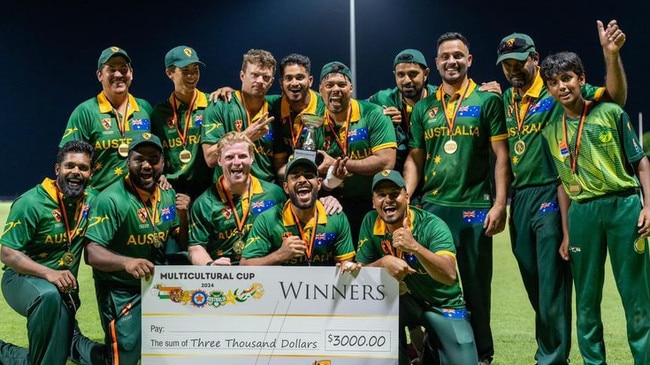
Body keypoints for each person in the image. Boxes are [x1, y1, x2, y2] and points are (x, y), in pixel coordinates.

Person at [494, 20, 627, 365]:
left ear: (534, 58)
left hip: (553, 192)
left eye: (519, 62)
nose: (512, 69)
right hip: (520, 197)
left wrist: (611, 57)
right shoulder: (506, 98)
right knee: (532, 278)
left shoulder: (555, 89)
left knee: (552, 280)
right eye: (506, 64)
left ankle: (551, 357)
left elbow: (613, 97)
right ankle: (550, 347)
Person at [403, 32, 510, 365]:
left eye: (457, 55)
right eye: (445, 56)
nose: (451, 61)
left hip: (474, 208)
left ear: (469, 60)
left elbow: (501, 156)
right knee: (434, 285)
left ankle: (482, 353)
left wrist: (500, 203)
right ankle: (436, 351)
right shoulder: (424, 107)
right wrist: (406, 197)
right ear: (436, 63)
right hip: (432, 209)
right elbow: (415, 160)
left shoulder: (487, 100)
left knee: (476, 288)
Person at [540, 51, 650, 365]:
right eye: (553, 82)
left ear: (581, 80)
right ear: (549, 89)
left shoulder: (611, 112)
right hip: (582, 214)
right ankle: (593, 362)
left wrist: (648, 207)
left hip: (624, 208)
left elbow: (641, 162)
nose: (561, 86)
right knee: (586, 300)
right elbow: (562, 185)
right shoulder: (551, 132)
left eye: (567, 78)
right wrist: (565, 231)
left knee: (636, 296)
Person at [84, 133, 189, 365]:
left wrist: (183, 216)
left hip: (154, 285)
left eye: (153, 159)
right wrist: (127, 262)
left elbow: (181, 242)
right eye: (139, 159)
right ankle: (77, 346)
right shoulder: (111, 199)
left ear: (163, 163)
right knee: (126, 352)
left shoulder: (168, 194)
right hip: (120, 286)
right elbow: (91, 252)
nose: (146, 166)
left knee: (164, 348)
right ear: (127, 162)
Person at [0, 141, 105, 365]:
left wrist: (161, 183)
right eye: (70, 166)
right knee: (49, 296)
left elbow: (123, 195)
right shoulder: (32, 202)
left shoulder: (93, 201)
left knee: (90, 354)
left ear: (91, 172)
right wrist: (49, 273)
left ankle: (69, 342)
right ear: (58, 169)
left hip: (62, 290)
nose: (76, 172)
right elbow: (7, 252)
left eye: (83, 168)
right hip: (21, 280)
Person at [356, 170, 477, 365]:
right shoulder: (370, 222)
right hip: (402, 302)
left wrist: (415, 247)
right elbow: (360, 274)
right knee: (370, 316)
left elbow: (449, 274)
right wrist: (383, 262)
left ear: (407, 197)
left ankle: (431, 347)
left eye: (394, 194)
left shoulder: (431, 225)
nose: (388, 200)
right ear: (373, 201)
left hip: (441, 303)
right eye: (381, 195)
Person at [317, 61, 397, 242]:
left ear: (351, 88)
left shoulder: (373, 114)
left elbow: (386, 162)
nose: (336, 89)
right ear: (320, 90)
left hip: (370, 204)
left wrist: (337, 164)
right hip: (331, 202)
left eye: (342, 84)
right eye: (329, 85)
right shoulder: (314, 121)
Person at [59, 46, 153, 192]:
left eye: (123, 69)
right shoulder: (85, 112)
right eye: (111, 70)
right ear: (99, 75)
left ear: (131, 73)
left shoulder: (145, 109)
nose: (118, 74)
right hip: (98, 199)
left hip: (138, 200)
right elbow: (69, 158)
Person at [188, 132, 286, 266]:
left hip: (264, 270)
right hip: (223, 273)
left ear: (252, 158)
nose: (236, 162)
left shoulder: (275, 194)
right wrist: (210, 266)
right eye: (229, 157)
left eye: (242, 156)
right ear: (219, 161)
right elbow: (195, 247)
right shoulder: (204, 203)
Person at [240, 157, 356, 267]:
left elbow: (345, 263)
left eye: (309, 176)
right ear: (286, 187)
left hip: (322, 287)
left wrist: (347, 267)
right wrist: (279, 255)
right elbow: (245, 265)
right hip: (281, 287)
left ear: (319, 184)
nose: (302, 180)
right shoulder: (268, 219)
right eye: (295, 177)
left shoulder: (335, 216)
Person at [201, 49, 287, 183]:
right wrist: (245, 137)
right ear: (242, 75)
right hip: (228, 191)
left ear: (271, 81)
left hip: (265, 192)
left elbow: (279, 164)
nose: (260, 81)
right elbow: (210, 159)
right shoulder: (219, 106)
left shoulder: (276, 108)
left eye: (266, 77)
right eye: (254, 75)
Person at [150, 45, 213, 201]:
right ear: (170, 73)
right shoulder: (159, 113)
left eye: (195, 70)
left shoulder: (212, 104)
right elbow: (153, 152)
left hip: (209, 191)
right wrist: (160, 175)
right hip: (171, 190)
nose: (191, 76)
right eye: (185, 71)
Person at [368, 49, 437, 174]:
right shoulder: (382, 99)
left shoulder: (440, 97)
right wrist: (383, 119)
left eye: (413, 74)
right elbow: (353, 108)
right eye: (401, 75)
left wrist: (483, 89)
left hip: (433, 169)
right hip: (397, 174)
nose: (406, 80)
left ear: (426, 74)